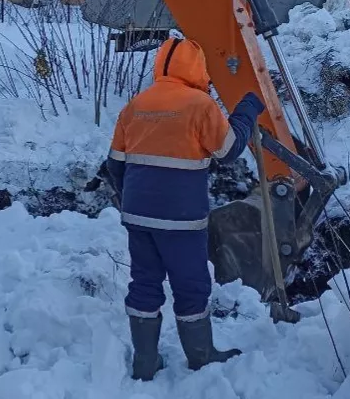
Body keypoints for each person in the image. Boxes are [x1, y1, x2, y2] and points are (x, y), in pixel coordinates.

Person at [105, 36, 265, 381]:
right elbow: (228, 151)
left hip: (138, 216)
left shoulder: (135, 105)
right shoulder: (199, 105)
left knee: (144, 283)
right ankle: (201, 356)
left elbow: (115, 166)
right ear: (197, 68)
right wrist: (249, 109)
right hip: (181, 219)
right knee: (190, 285)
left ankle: (144, 362)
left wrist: (134, 200)